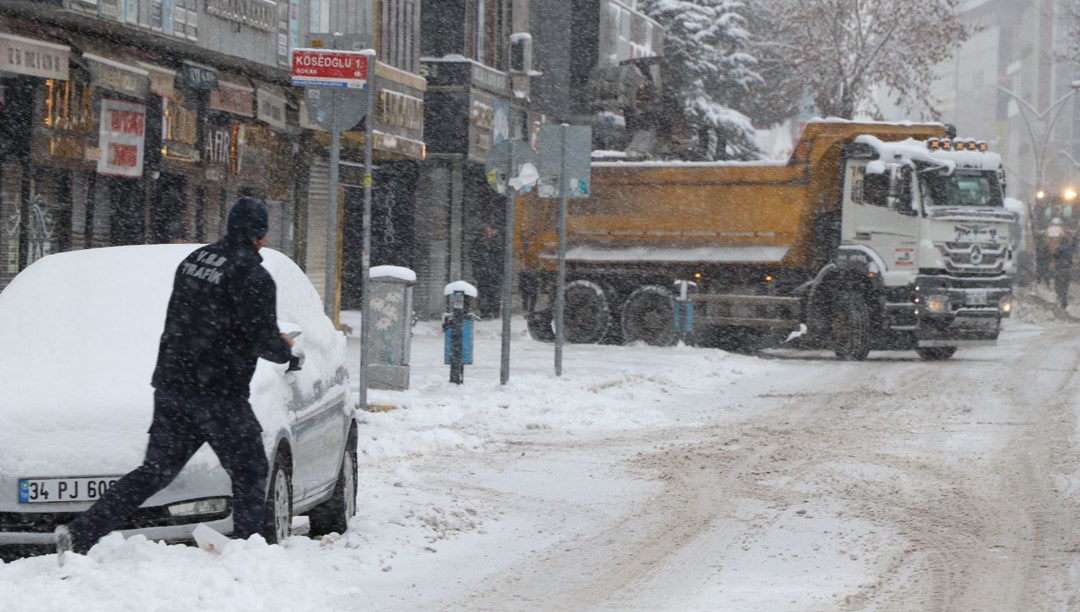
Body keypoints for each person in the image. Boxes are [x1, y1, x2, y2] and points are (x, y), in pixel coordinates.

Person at [55, 197, 297, 560]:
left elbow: (196, 318)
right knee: (250, 470)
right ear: (261, 234)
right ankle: (249, 554)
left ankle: (81, 532)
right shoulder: (252, 274)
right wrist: (285, 349)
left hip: (172, 385)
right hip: (219, 393)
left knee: (154, 472)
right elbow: (260, 337)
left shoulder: (195, 260)